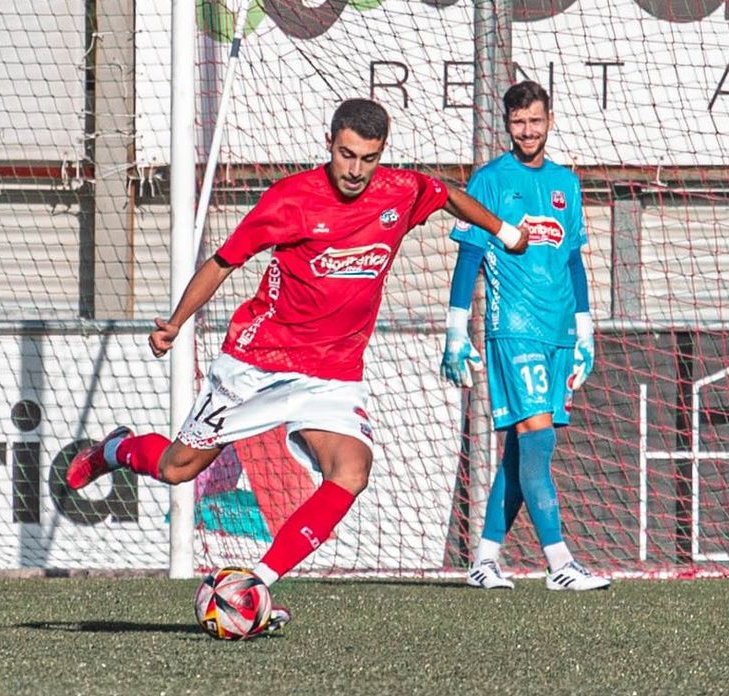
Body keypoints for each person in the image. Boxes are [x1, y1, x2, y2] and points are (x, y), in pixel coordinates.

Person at [66, 98, 529, 630]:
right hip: (257, 361)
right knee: (177, 468)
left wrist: (504, 231)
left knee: (352, 471)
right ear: (329, 143)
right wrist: (176, 322)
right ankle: (115, 448)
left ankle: (254, 584)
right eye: (346, 154)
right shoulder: (290, 201)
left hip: (332, 371)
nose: (355, 170)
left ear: (382, 155)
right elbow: (223, 262)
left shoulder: (399, 192)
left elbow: (446, 195)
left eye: (368, 158)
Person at [440, 81, 610, 591]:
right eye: (518, 122)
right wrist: (455, 328)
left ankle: (485, 559)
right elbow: (469, 256)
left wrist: (585, 330)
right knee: (538, 438)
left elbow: (573, 259)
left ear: (549, 121)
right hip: (512, 330)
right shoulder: (490, 180)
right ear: (507, 125)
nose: (528, 130)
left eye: (535, 121)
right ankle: (559, 564)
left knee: (522, 451)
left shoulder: (566, 183)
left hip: (559, 330)